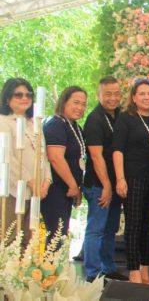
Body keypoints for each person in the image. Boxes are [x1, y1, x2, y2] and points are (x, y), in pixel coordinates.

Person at [113, 78, 149, 283]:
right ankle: (133, 269)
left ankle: (145, 268)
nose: (146, 97)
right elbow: (117, 150)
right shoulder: (126, 119)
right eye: (142, 94)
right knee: (134, 225)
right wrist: (120, 179)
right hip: (133, 179)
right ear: (134, 97)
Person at [82, 76, 128, 282]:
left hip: (115, 182)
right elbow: (96, 156)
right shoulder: (94, 120)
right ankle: (92, 273)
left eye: (116, 93)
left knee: (110, 229)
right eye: (108, 94)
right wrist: (107, 186)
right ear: (99, 95)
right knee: (96, 230)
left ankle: (108, 267)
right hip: (99, 184)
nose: (113, 98)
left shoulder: (120, 115)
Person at [0, 78, 51, 240]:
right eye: (18, 95)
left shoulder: (33, 123)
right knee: (9, 236)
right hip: (13, 189)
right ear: (8, 99)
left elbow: (43, 155)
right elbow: (8, 158)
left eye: (28, 94)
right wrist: (30, 182)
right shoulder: (4, 122)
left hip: (36, 191)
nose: (24, 98)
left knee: (28, 239)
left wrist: (46, 181)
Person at [43, 86, 87, 238]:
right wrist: (72, 185)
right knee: (56, 235)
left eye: (83, 104)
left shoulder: (75, 126)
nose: (80, 107)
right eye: (76, 102)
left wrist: (77, 188)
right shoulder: (56, 124)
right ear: (64, 102)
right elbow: (55, 158)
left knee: (63, 233)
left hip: (68, 188)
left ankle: (59, 262)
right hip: (56, 188)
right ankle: (52, 263)